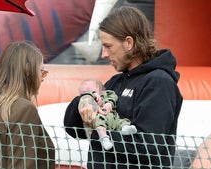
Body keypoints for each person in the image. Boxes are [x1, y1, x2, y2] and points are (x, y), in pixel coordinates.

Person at [64, 6, 183, 169]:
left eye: (108, 46)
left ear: (129, 42)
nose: (104, 54)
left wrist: (102, 133)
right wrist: (83, 100)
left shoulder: (159, 82)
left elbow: (147, 146)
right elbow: (74, 130)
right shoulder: (115, 82)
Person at [0, 41, 55, 169]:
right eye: (42, 72)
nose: (42, 78)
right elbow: (23, 164)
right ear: (28, 70)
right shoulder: (24, 109)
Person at [79, 79, 137, 150]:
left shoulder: (108, 93)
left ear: (102, 90)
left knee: (121, 121)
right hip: (100, 118)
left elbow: (114, 97)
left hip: (112, 116)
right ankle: (104, 139)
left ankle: (125, 128)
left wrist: (110, 103)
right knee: (100, 125)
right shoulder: (86, 102)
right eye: (83, 94)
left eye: (91, 91)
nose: (90, 94)